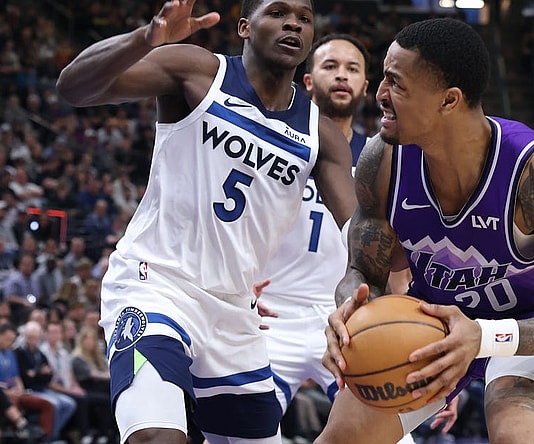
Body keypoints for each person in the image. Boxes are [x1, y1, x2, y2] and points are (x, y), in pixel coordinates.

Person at [54, 0, 356, 442]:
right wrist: (147, 37)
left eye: (305, 18)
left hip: (234, 313)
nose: (293, 22)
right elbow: (73, 89)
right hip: (156, 284)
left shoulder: (321, 135)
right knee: (158, 436)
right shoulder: (198, 70)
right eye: (277, 12)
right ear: (244, 28)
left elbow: (360, 232)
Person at [314, 18, 534, 444]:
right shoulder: (381, 161)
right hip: (429, 323)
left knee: (518, 435)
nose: (380, 95)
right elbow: (360, 271)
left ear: (449, 100)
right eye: (383, 79)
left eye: (396, 84)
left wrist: (486, 337)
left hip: (522, 331)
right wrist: (351, 310)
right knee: (342, 438)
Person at [255, 34, 447, 443]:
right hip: (269, 316)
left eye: (353, 69)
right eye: (330, 66)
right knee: (231, 432)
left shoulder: (383, 160)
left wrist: (423, 342)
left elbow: (397, 264)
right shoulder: (270, 148)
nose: (341, 75)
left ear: (365, 87)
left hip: (350, 317)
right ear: (306, 82)